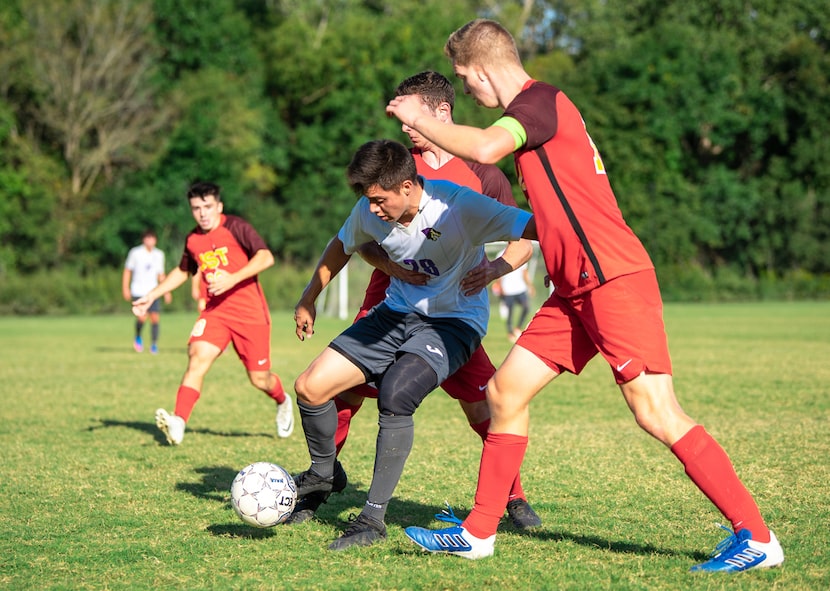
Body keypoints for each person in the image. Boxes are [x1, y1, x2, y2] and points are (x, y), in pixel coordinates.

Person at [387, 19, 783, 572]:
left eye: (463, 78)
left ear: (479, 69)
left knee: (656, 411)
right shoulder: (533, 110)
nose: (467, 90)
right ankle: (479, 533)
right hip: (575, 288)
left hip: (612, 279)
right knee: (504, 394)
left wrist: (419, 117)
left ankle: (757, 537)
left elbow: (484, 146)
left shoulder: (539, 103)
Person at [289, 71, 540, 531]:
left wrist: (498, 269)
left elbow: (522, 233)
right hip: (390, 300)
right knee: (336, 390)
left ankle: (512, 495)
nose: (404, 125)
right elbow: (357, 238)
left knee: (482, 406)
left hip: (452, 311)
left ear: (441, 112)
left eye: (411, 113)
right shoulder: (398, 168)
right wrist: (385, 271)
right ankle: (321, 482)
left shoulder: (479, 177)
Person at [131, 181, 294, 445]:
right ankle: (179, 421)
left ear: (219, 206)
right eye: (196, 208)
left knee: (259, 379)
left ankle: (282, 400)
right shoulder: (193, 239)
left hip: (250, 314)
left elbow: (266, 257)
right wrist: (151, 295)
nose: (202, 213)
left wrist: (233, 278)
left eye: (207, 207)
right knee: (197, 356)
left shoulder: (236, 227)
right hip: (216, 312)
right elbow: (184, 271)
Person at [122, 229, 171, 354]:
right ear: (143, 240)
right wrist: (125, 288)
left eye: (152, 238)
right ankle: (138, 336)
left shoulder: (159, 254)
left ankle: (154, 344)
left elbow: (161, 274)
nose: (150, 241)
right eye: (147, 238)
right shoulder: (135, 253)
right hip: (138, 289)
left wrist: (166, 291)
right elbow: (128, 270)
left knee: (155, 318)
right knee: (142, 317)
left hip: (154, 291)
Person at [493, 253, 534, 343]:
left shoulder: (522, 251)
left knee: (526, 307)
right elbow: (499, 272)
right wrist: (500, 285)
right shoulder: (501, 254)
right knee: (510, 312)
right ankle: (510, 333)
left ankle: (518, 327)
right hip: (508, 289)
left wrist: (530, 286)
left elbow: (524, 272)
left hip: (520, 288)